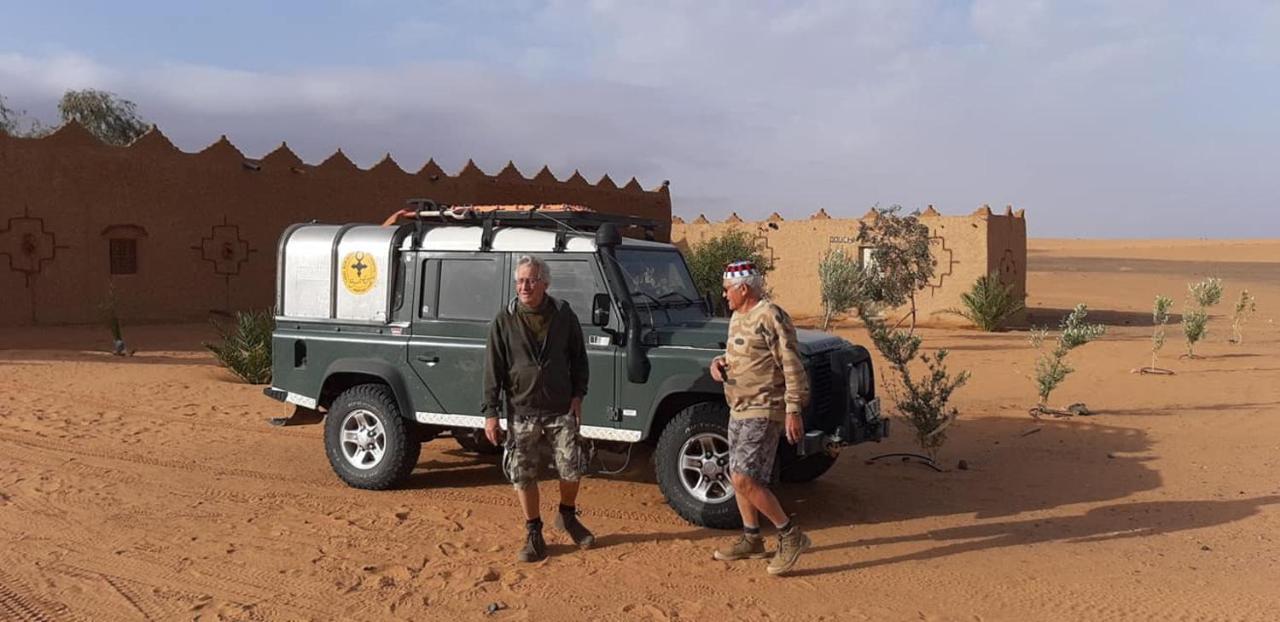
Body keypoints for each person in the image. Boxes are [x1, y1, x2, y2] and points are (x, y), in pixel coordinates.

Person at [482, 255, 595, 562]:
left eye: (530, 280)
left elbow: (579, 357)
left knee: (572, 466)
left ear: (545, 283)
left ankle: (568, 516)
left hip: (560, 407)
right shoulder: (504, 319)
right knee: (523, 474)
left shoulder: (562, 313)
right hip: (522, 409)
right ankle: (533, 532)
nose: (524, 286)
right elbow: (493, 367)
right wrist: (491, 412)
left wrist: (578, 396)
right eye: (520, 280)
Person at [708, 259, 812, 576]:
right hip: (738, 406)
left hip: (764, 408)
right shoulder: (738, 317)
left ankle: (790, 535)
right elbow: (742, 355)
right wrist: (719, 364)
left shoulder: (770, 315)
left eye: (727, 290)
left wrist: (793, 409)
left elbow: (791, 364)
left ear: (743, 288)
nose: (724, 296)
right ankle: (752, 538)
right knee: (735, 474)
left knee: (744, 478)